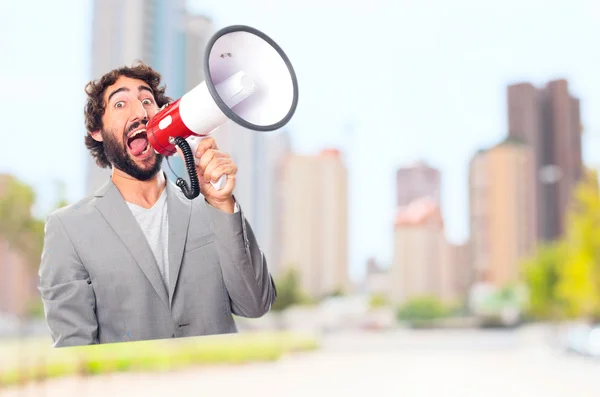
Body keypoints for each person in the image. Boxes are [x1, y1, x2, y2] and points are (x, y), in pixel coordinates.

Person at [38, 62, 277, 347]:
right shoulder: (68, 228)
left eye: (147, 101)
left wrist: (223, 205)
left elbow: (256, 304)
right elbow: (73, 350)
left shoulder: (211, 206)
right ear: (97, 131)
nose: (139, 112)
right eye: (121, 104)